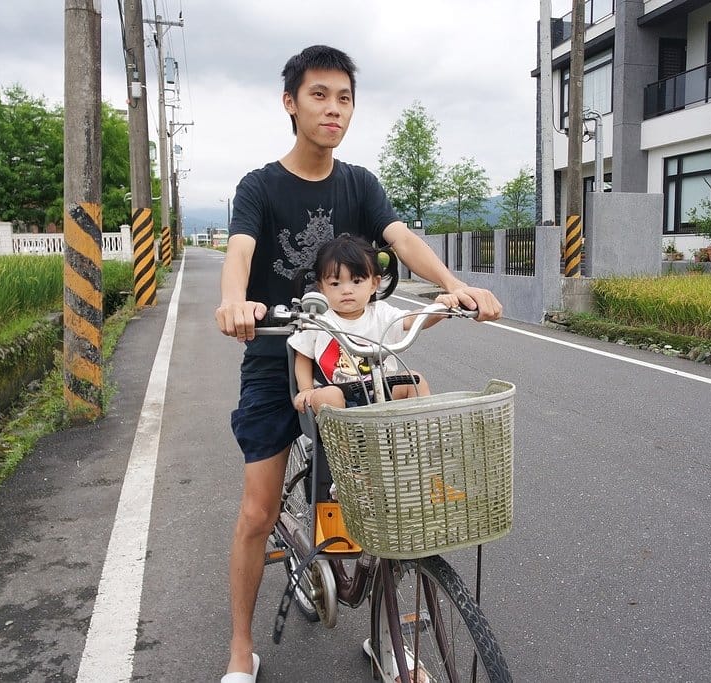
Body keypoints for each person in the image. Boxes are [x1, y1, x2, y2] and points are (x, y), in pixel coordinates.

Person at [215, 44, 502, 682]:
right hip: (278, 358)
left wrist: (454, 288)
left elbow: (400, 238)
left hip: (358, 362)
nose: (333, 109)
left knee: (393, 502)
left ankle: (391, 639)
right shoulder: (259, 187)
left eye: (344, 98)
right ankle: (240, 650)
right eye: (319, 95)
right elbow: (240, 248)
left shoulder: (360, 184)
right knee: (259, 511)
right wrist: (235, 302)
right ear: (290, 103)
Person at [289, 234, 458, 414]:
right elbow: (303, 356)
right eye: (335, 283)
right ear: (322, 288)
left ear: (374, 284)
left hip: (382, 389)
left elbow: (411, 320)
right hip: (339, 395)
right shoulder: (319, 319)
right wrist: (306, 389)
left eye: (356, 281)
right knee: (329, 395)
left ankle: (423, 436)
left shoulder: (381, 313)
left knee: (415, 380)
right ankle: (348, 442)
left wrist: (437, 309)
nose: (346, 290)